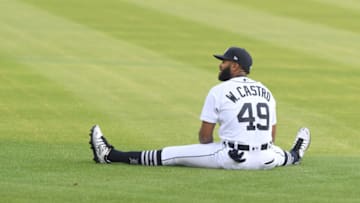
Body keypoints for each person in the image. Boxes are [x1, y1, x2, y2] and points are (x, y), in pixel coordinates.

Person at [89, 46, 311, 170]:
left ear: (235, 66)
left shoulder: (219, 91)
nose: (220, 64)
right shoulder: (267, 91)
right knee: (284, 156)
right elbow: (271, 137)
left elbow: (205, 137)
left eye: (224, 61)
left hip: (232, 158)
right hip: (267, 158)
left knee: (172, 155)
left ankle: (110, 155)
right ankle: (295, 155)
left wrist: (211, 150)